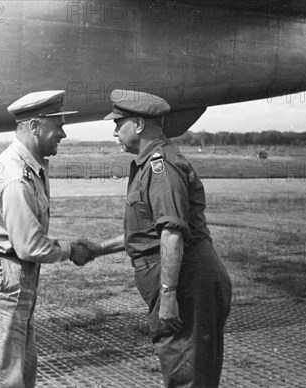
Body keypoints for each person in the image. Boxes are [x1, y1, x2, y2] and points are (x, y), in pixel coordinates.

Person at [96, 89, 232, 387]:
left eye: (119, 123)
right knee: (184, 370)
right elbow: (149, 232)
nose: (115, 131)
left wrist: (168, 296)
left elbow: (171, 235)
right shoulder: (151, 165)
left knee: (188, 376)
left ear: (140, 125)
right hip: (181, 279)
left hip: (185, 283)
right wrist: (98, 249)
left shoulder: (162, 168)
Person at [0, 90, 93, 388]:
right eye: (57, 125)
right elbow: (30, 245)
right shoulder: (16, 177)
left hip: (9, 277)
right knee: (2, 379)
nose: (63, 133)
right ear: (35, 127)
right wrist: (71, 249)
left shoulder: (29, 165)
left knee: (17, 374)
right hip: (0, 280)